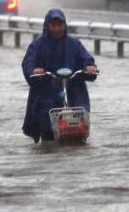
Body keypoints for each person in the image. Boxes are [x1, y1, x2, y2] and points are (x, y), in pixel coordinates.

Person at [21, 9, 98, 143]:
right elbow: (28, 63)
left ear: (65, 25)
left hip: (74, 90)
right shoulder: (37, 45)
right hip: (47, 91)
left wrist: (89, 67)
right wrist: (34, 71)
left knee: (79, 123)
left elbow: (85, 58)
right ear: (47, 26)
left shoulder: (74, 44)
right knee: (47, 126)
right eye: (53, 25)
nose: (57, 29)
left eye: (60, 25)